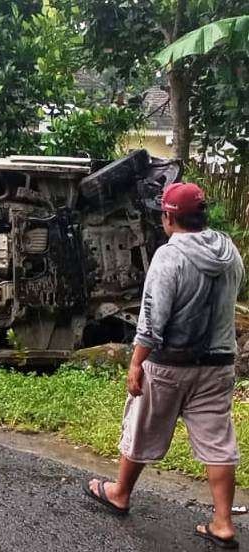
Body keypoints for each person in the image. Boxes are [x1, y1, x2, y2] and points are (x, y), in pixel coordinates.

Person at [83, 182, 244, 549]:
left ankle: (120, 493)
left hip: (171, 364)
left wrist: (136, 363)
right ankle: (222, 523)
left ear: (170, 216)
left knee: (141, 427)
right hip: (218, 364)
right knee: (218, 441)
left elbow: (152, 319)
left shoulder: (169, 256)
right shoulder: (229, 251)